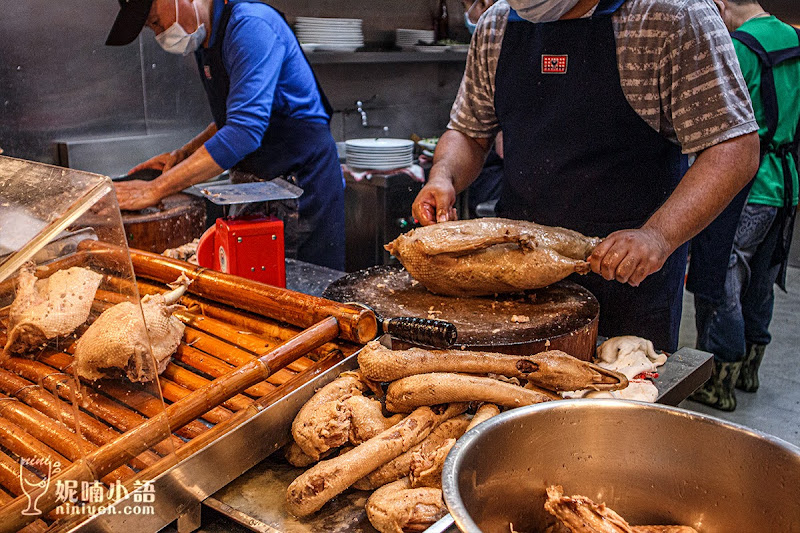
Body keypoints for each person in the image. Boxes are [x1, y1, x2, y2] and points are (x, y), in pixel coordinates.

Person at [411, 0, 761, 352]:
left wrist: (657, 236)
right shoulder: (497, 24)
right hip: (514, 278)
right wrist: (443, 175)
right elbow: (470, 133)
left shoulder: (670, 16)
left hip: (626, 282)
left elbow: (734, 149)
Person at [106, 0, 345, 271]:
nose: (159, 34)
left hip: (302, 187)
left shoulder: (250, 25)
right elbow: (232, 119)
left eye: (155, 22)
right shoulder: (207, 38)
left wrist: (155, 189)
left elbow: (243, 131)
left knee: (305, 298)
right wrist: (183, 155)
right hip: (263, 185)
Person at [689, 0, 800, 411]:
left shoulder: (737, 48)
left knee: (723, 281)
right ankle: (750, 370)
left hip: (747, 188)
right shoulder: (791, 36)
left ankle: (719, 382)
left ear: (718, 6)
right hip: (785, 184)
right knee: (762, 280)